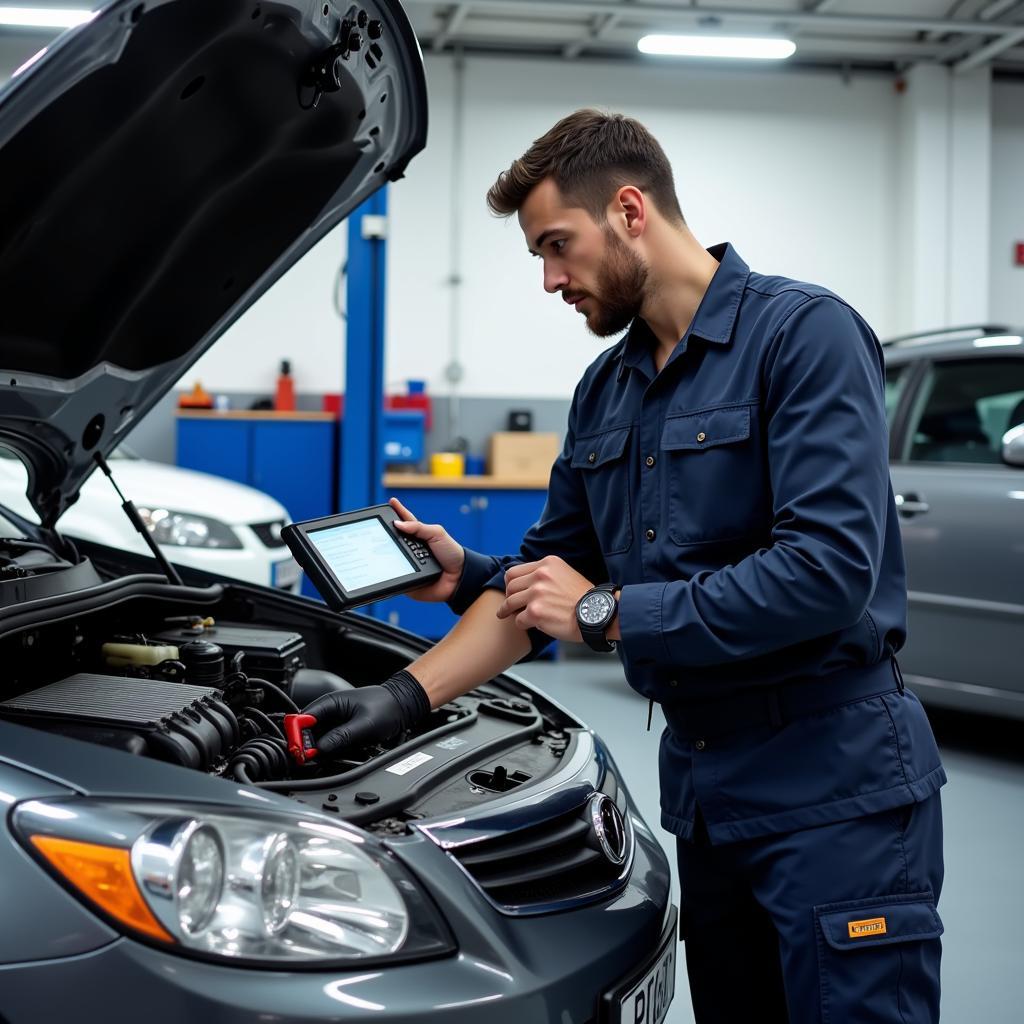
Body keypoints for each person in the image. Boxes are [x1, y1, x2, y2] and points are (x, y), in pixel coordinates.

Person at [305, 110, 946, 1023]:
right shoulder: (607, 389)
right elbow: (544, 587)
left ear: (631, 210)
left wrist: (606, 613)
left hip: (834, 792)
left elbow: (827, 571)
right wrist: (409, 686)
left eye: (557, 246)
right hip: (711, 800)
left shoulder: (804, 337)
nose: (550, 279)